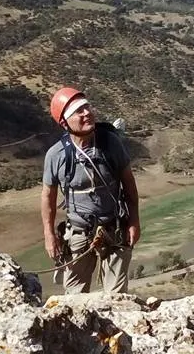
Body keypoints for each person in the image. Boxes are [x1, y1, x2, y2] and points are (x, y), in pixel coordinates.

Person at [42, 86, 141, 293]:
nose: (86, 113)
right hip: (78, 233)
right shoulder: (56, 155)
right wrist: (49, 235)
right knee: (74, 297)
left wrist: (133, 221)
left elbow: (129, 184)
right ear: (64, 122)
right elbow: (48, 198)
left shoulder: (110, 143)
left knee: (116, 297)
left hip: (113, 228)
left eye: (86, 107)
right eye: (78, 111)